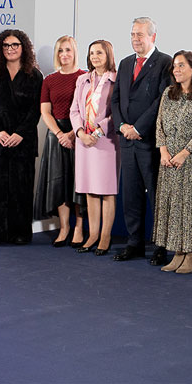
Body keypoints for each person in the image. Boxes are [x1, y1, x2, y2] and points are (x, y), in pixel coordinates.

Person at [111, 17, 171, 264]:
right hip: (127, 140)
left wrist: (139, 127)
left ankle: (160, 246)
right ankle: (134, 243)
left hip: (149, 140)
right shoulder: (125, 64)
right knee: (131, 194)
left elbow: (162, 100)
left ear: (153, 37)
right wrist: (123, 126)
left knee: (156, 195)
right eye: (133, 34)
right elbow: (115, 100)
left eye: (140, 35)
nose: (136, 39)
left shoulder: (165, 62)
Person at [0, 29, 43, 245]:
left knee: (21, 189)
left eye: (15, 45)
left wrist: (19, 134)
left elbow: (36, 110)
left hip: (23, 142)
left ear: (23, 47)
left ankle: (20, 233)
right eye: (6, 45)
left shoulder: (35, 76)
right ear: (0, 49)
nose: (10, 49)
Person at [153, 51, 192, 274]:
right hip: (168, 161)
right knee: (172, 207)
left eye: (181, 66)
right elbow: (159, 125)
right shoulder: (168, 93)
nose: (176, 69)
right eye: (174, 66)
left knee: (189, 208)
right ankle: (177, 252)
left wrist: (185, 153)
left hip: (191, 162)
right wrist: (163, 152)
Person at [33, 35, 87, 247]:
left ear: (74, 52)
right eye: (61, 51)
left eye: (68, 50)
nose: (64, 55)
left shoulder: (84, 77)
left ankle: (79, 229)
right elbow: (45, 112)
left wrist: (73, 133)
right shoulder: (49, 80)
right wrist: (59, 134)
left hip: (79, 134)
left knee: (77, 183)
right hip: (56, 136)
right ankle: (63, 228)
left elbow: (87, 110)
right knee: (59, 183)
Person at [69, 40, 120, 255]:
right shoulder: (83, 79)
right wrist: (80, 133)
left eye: (99, 52)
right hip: (84, 142)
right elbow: (74, 110)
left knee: (106, 191)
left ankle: (105, 236)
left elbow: (116, 111)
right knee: (90, 189)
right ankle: (93, 234)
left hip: (105, 141)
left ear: (108, 54)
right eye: (91, 53)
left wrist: (98, 131)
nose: (95, 57)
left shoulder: (116, 79)